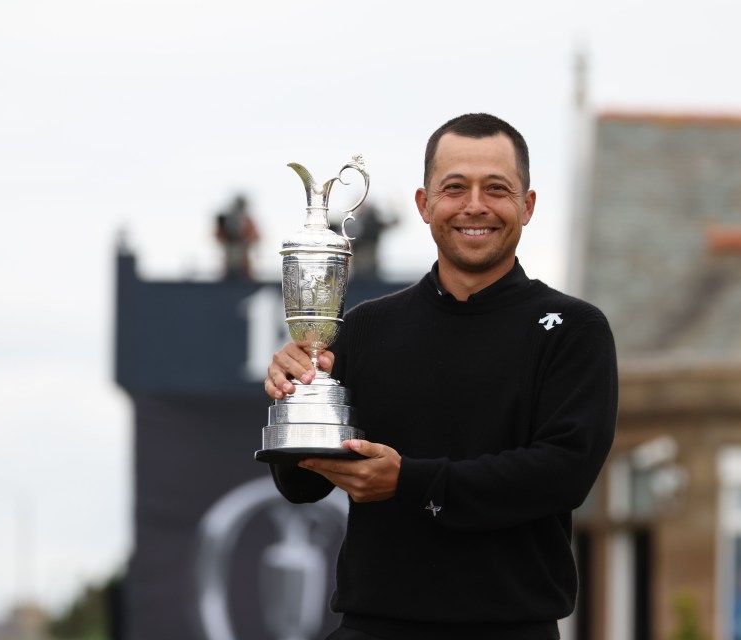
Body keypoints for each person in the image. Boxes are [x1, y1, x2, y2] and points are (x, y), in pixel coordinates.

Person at [264, 113, 618, 640]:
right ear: (424, 205)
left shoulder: (571, 329)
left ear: (528, 205)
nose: (475, 205)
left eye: (496, 188)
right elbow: (301, 484)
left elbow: (562, 473)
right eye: (455, 188)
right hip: (372, 626)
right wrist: (292, 393)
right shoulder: (364, 328)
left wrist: (409, 482)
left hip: (511, 628)